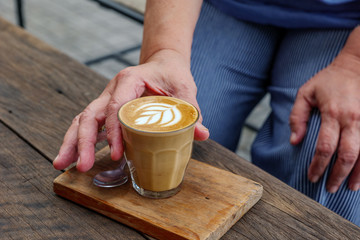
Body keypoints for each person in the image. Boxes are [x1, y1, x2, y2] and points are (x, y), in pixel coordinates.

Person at [53, 0, 360, 226]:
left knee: (328, 158)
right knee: (189, 140)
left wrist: (354, 63)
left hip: (346, 23)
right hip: (225, 7)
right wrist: (164, 53)